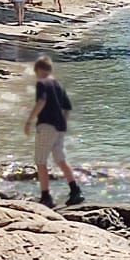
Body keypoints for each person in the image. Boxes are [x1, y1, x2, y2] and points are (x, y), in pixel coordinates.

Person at [25, 55, 82, 207]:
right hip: (60, 127)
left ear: (38, 70)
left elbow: (41, 101)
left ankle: (46, 196)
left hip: (46, 125)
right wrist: (63, 123)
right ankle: (75, 190)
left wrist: (29, 120)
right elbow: (67, 108)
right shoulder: (58, 85)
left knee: (40, 161)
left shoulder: (42, 83)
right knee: (60, 159)